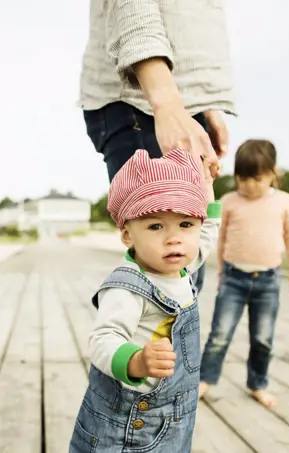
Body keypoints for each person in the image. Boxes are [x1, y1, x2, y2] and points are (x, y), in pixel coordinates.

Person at [69, 148, 221, 453]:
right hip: (129, 426)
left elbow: (207, 233)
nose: (174, 238)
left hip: (176, 417)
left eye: (185, 224)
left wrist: (207, 189)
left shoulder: (182, 267)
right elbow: (103, 339)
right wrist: (136, 360)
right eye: (156, 226)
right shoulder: (129, 287)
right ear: (127, 235)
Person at [79, 0, 236, 293]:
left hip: (181, 100)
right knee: (165, 280)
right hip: (143, 98)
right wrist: (166, 103)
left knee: (183, 279)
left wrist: (204, 106)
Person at [198, 139, 289, 408]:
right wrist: (221, 271)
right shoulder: (229, 201)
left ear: (272, 174)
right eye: (242, 178)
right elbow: (220, 240)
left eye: (257, 178)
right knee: (220, 333)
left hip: (267, 280)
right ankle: (205, 380)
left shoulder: (284, 202)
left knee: (263, 338)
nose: (249, 185)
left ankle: (257, 383)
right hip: (233, 278)